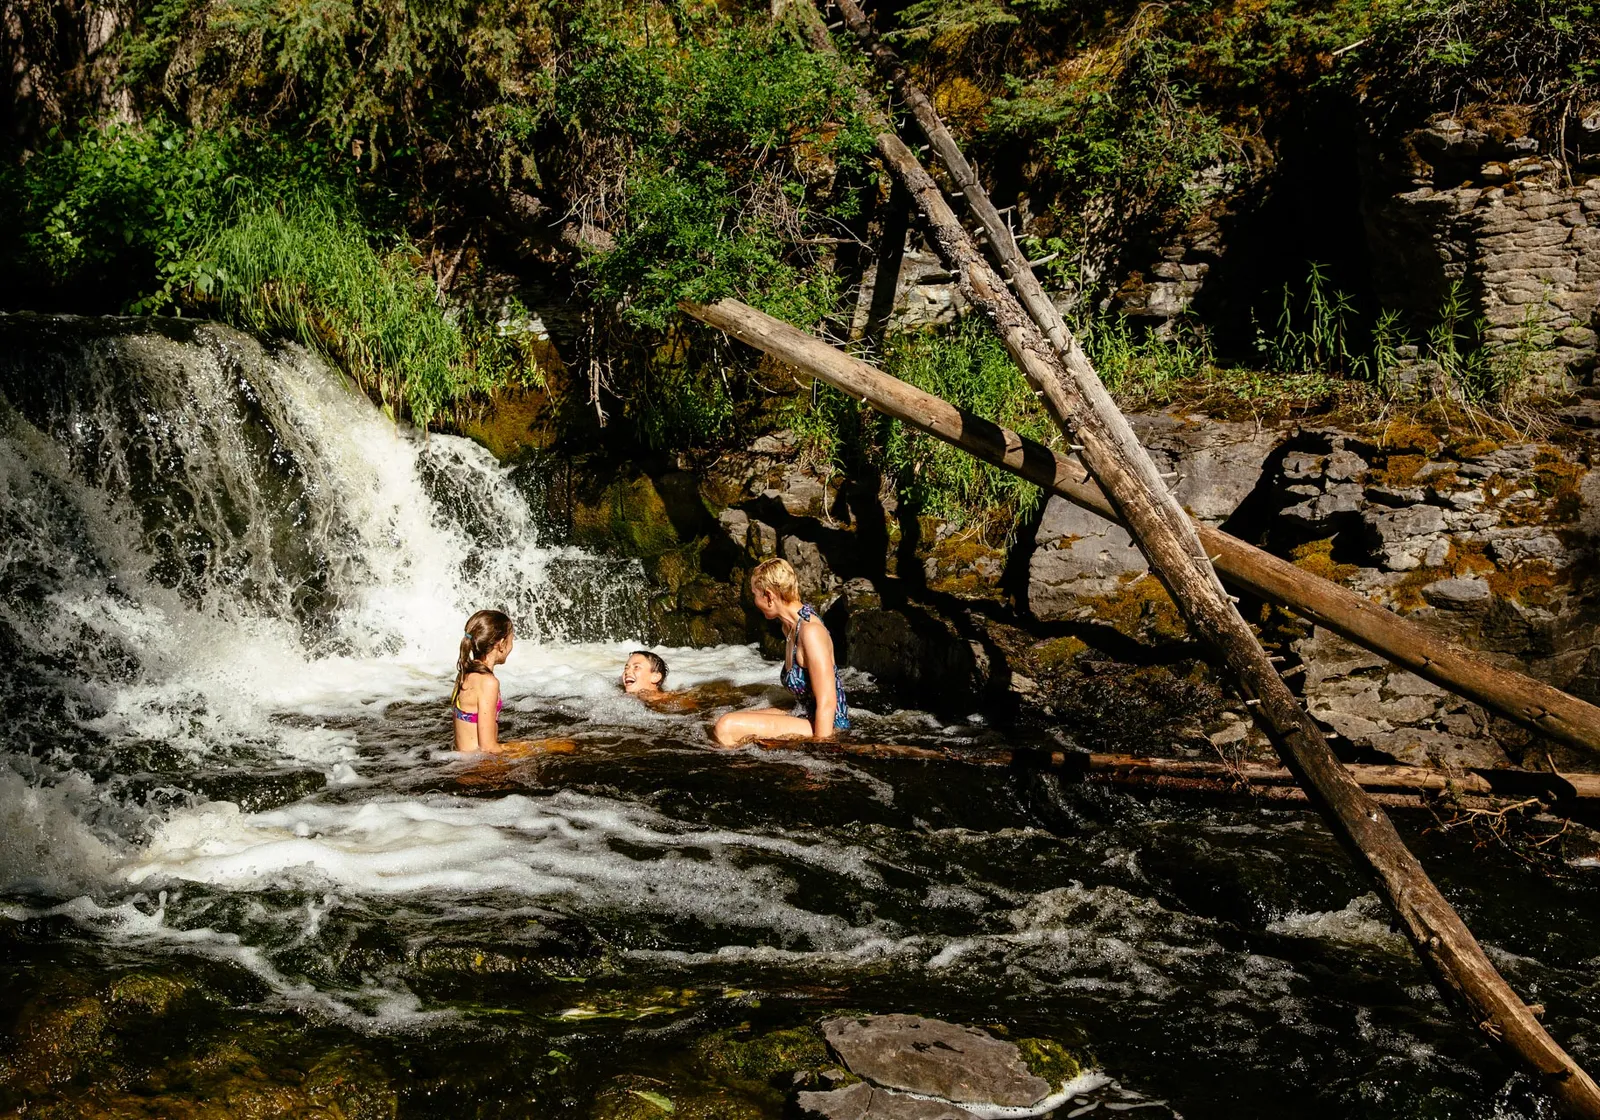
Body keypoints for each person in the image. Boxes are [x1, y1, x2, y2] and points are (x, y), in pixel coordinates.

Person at [713, 558, 849, 747]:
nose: (754, 601)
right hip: (804, 712)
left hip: (828, 725)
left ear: (769, 596)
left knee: (726, 727)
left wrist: (820, 757)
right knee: (726, 720)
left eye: (755, 595)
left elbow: (827, 702)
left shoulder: (811, 632)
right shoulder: (789, 627)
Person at [451, 609, 514, 753]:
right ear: (501, 644)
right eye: (511, 640)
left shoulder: (465, 673)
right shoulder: (488, 682)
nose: (511, 646)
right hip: (478, 768)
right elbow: (488, 747)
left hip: (463, 762)